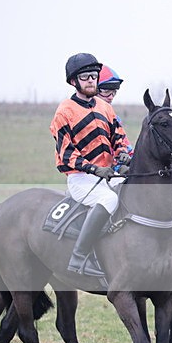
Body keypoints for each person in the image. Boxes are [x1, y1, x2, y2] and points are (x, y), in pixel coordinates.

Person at [50, 53, 130, 277]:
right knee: (110, 199)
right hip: (81, 179)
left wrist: (122, 154)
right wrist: (94, 169)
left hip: (106, 176)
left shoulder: (105, 108)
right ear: (74, 81)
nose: (90, 81)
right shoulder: (64, 112)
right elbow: (67, 154)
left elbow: (119, 138)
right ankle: (79, 256)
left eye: (93, 77)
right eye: (85, 77)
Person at [96, 65, 133, 173]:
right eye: (107, 91)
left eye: (114, 92)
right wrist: (117, 166)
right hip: (93, 173)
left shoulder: (115, 119)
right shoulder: (83, 118)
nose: (111, 97)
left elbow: (126, 146)